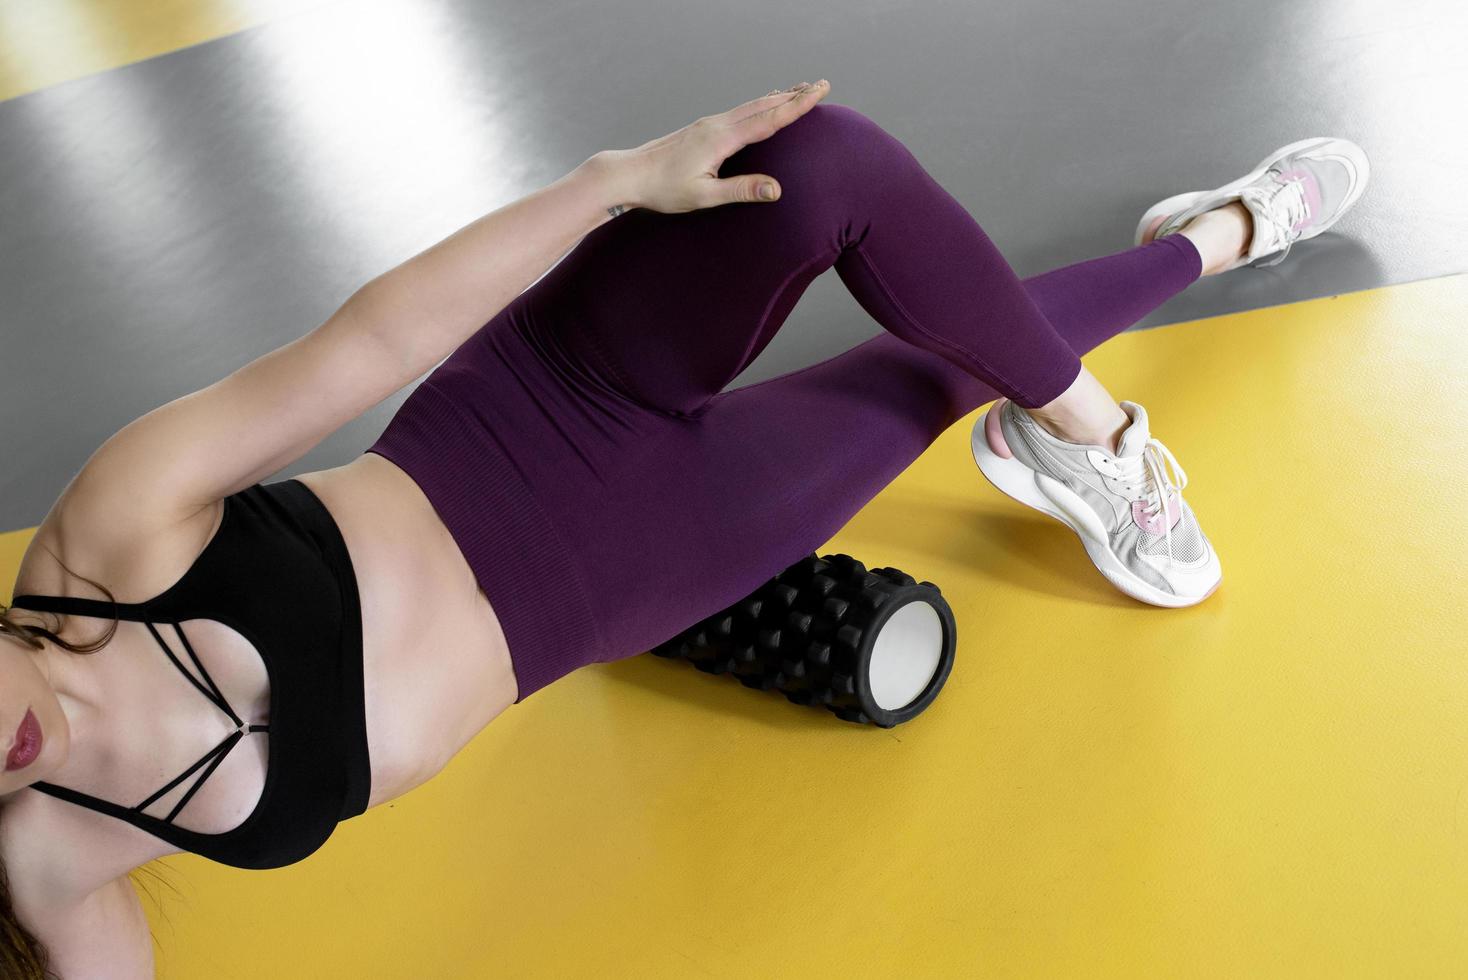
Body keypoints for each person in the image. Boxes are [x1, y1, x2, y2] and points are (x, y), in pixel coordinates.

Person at [0, 80, 1365, 977]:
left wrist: (608, 184)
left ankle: (1092, 433)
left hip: (528, 416)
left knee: (820, 165)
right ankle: (1222, 235)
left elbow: (369, 340)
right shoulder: (56, 851)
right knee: (935, 375)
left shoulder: (111, 535)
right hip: (632, 569)